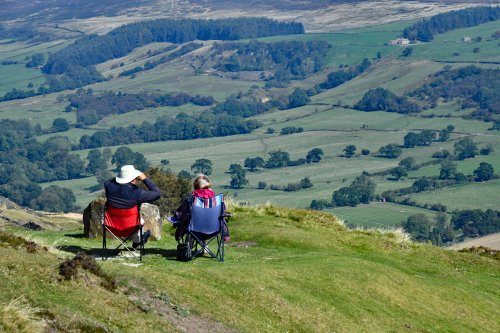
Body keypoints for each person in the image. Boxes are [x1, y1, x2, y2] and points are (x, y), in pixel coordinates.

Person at [104, 165, 161, 248]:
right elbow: (157, 194)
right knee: (139, 221)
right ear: (133, 180)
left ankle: (137, 243)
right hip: (131, 227)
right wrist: (145, 179)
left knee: (135, 220)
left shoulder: (109, 187)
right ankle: (137, 242)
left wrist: (122, 178)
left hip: (111, 227)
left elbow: (109, 182)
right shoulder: (137, 193)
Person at [171, 174, 230, 242]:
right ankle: (224, 236)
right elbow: (223, 214)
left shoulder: (191, 200)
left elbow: (179, 213)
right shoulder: (217, 201)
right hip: (214, 230)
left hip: (194, 231)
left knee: (185, 219)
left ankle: (179, 236)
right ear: (209, 186)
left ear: (195, 186)